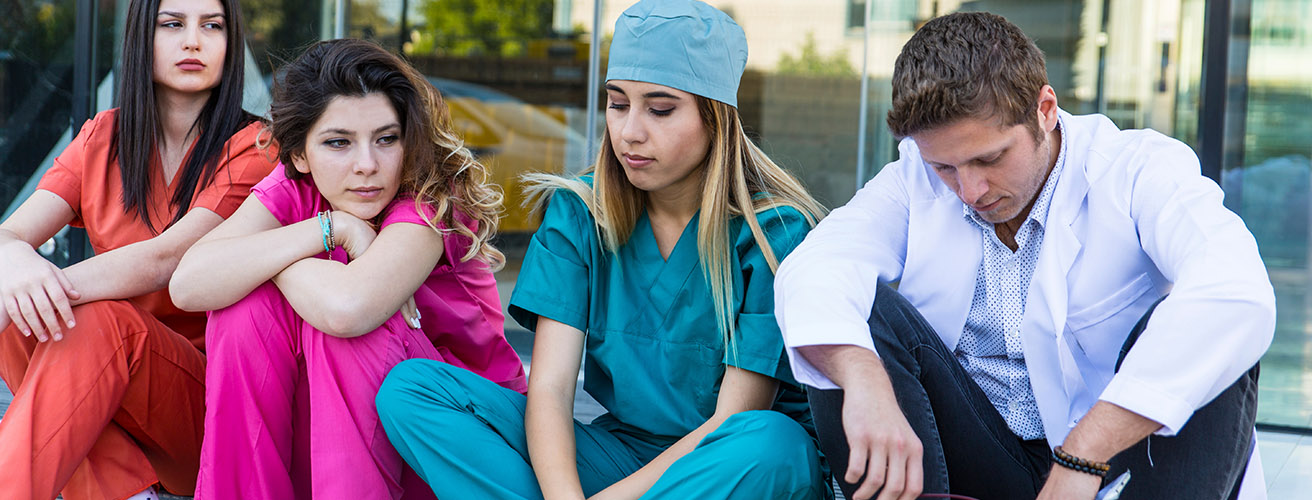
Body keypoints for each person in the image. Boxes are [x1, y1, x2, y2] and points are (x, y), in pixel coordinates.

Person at [775, 11, 1273, 500]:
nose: (969, 190)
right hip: (987, 459)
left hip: (1116, 463)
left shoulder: (1137, 169)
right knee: (858, 318)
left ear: (1045, 109)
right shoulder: (913, 180)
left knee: (1212, 334)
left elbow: (1236, 290)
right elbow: (818, 266)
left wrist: (1083, 454)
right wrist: (864, 379)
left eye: (989, 158)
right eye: (945, 167)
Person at [375, 1, 832, 498]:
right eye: (618, 104)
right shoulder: (579, 212)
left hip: (725, 463)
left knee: (774, 444)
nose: (630, 131)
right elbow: (548, 391)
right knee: (413, 389)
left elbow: (735, 417)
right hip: (617, 456)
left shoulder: (776, 231)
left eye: (660, 109)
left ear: (716, 118)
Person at [168, 38, 526, 500]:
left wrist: (271, 257)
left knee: (336, 323)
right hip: (337, 446)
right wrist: (328, 229)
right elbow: (188, 283)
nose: (366, 166)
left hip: (456, 442)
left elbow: (347, 309)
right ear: (300, 154)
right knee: (245, 310)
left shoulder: (429, 195)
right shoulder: (298, 185)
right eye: (338, 143)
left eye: (386, 139)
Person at [0, 0, 275, 497]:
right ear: (140, 36)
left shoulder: (256, 146)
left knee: (86, 317)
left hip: (202, 414)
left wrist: (36, 283)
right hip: (100, 405)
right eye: (172, 24)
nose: (193, 40)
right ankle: (122, 490)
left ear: (231, 43)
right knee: (21, 312)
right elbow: (7, 235)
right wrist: (15, 262)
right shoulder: (103, 136)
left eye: (211, 26)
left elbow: (167, 259)